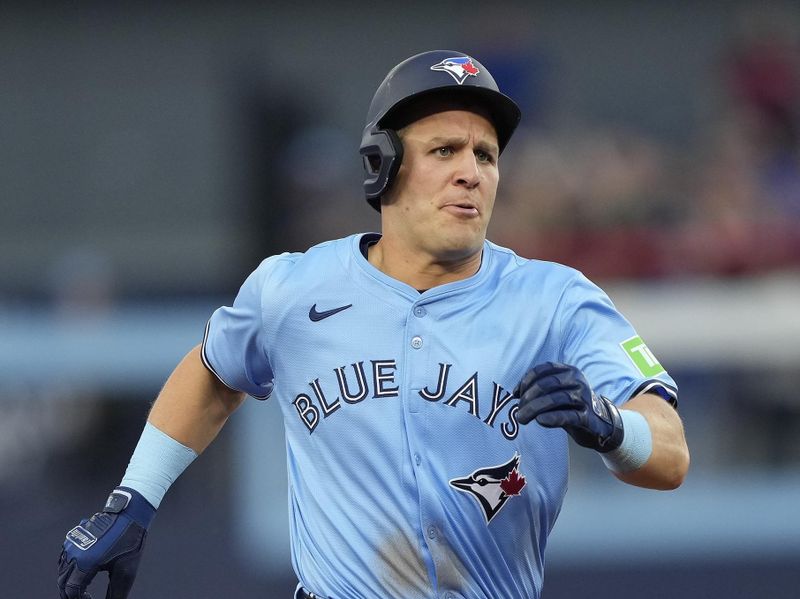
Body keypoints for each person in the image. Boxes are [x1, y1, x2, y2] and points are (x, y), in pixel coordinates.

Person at [58, 50, 690, 599]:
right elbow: (213, 372)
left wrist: (610, 427)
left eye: (487, 154)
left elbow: (671, 453)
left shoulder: (555, 298)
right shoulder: (293, 287)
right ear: (382, 165)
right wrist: (134, 500)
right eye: (444, 150)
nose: (472, 171)